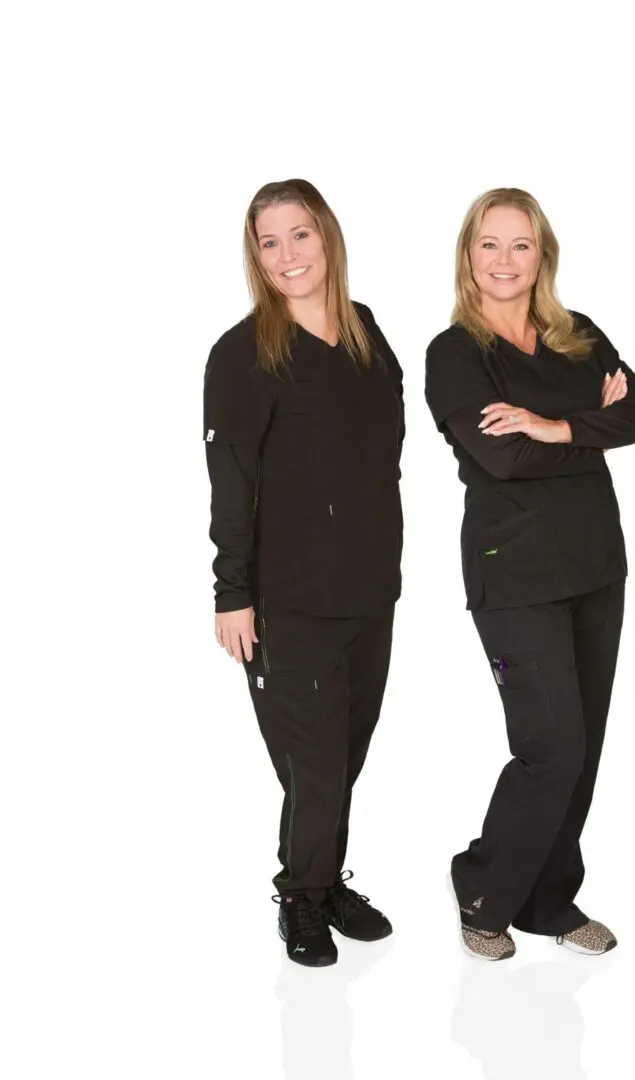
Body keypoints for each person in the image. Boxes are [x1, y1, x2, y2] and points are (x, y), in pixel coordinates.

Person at [425, 188, 635, 962]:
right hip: (514, 573)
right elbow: (499, 455)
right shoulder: (454, 354)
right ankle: (485, 888)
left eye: (520, 245)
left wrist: (553, 425)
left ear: (543, 256)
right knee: (549, 745)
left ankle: (549, 899)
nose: (504, 260)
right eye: (488, 245)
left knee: (583, 744)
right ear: (468, 257)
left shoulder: (576, 334)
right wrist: (589, 427)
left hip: (595, 564)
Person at [203, 179, 404, 967]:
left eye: (300, 235)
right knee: (312, 764)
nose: (288, 255)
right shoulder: (243, 354)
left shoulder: (365, 334)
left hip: (368, 591)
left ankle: (323, 884)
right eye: (269, 242)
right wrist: (233, 595)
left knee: (346, 753)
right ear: (256, 256)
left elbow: (381, 457)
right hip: (287, 603)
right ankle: (299, 895)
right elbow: (232, 483)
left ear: (328, 237)